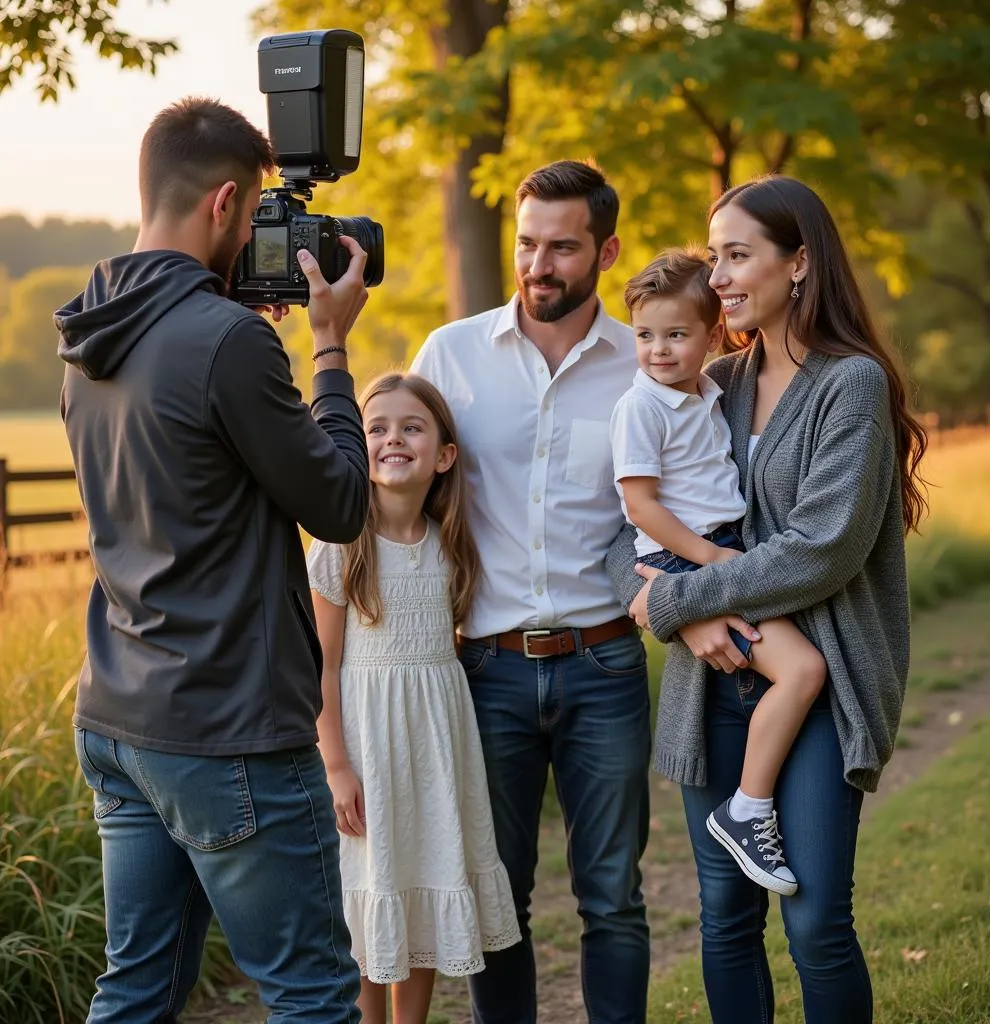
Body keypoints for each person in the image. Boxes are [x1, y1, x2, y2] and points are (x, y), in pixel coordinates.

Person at [56, 97, 371, 1023]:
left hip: (118, 714)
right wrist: (330, 348)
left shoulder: (87, 330)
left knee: (138, 990)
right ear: (227, 201)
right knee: (312, 995)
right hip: (230, 727)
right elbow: (341, 505)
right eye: (261, 210)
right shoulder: (231, 341)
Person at [612, 175, 928, 1024]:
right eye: (712, 256)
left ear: (798, 263)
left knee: (818, 919)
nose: (716, 276)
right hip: (711, 686)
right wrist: (688, 609)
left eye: (737, 255)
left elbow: (821, 548)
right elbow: (626, 522)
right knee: (725, 920)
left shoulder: (849, 385)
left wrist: (684, 600)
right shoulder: (707, 380)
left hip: (821, 681)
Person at [411, 159, 651, 1024]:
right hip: (487, 672)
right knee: (496, 900)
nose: (537, 265)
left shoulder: (642, 362)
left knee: (614, 898)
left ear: (607, 250)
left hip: (607, 666)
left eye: (561, 248)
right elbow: (403, 487)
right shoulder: (451, 352)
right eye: (525, 244)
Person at [610, 247, 827, 897]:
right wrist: (708, 565)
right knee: (804, 669)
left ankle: (751, 804)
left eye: (676, 335)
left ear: (713, 336)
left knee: (796, 670)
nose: (658, 351)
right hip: (685, 555)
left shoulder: (710, 388)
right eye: (645, 336)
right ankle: (748, 807)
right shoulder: (641, 407)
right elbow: (638, 505)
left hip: (716, 546)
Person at [306, 372, 521, 1024]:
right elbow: (322, 665)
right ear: (357, 445)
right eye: (377, 427)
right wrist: (336, 765)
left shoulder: (449, 544)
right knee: (375, 886)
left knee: (428, 874)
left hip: (435, 746)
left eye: (411, 427)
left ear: (444, 455)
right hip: (367, 742)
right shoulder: (342, 544)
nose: (392, 438)